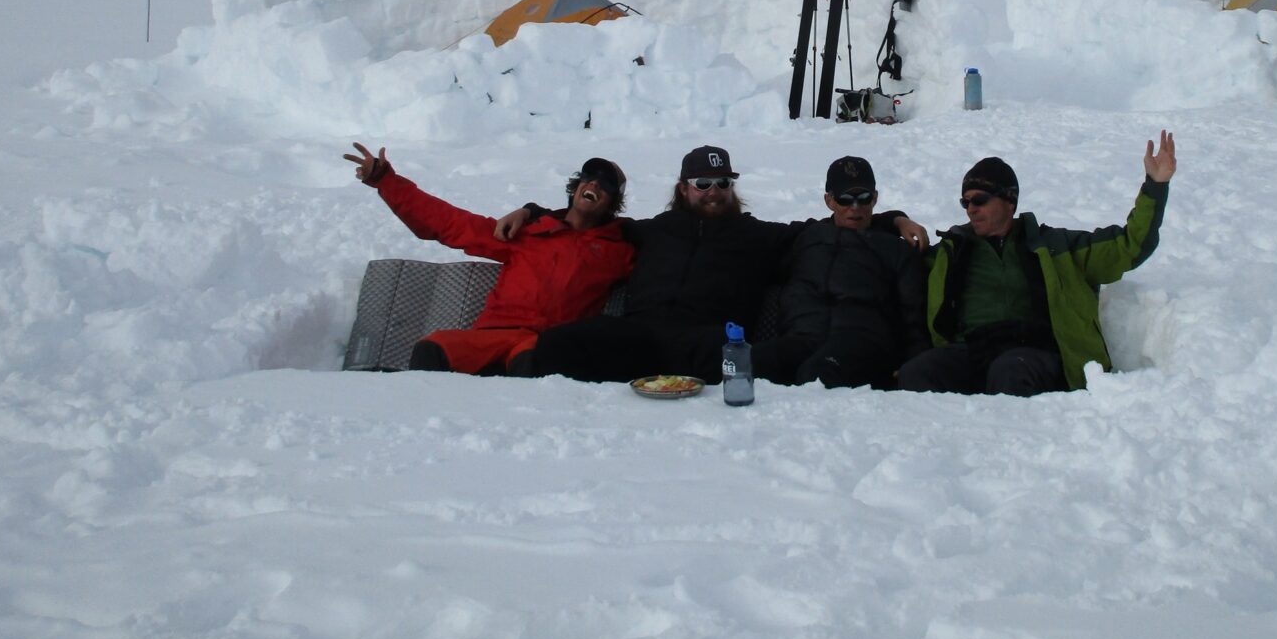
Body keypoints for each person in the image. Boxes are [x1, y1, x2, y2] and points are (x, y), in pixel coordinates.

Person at [507, 146, 927, 383]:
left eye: (723, 183)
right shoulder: (655, 229)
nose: (714, 192)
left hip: (708, 344)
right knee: (558, 346)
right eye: (703, 184)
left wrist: (895, 219)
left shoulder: (759, 235)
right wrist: (530, 211)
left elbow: (837, 227)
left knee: (743, 367)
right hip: (641, 331)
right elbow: (587, 223)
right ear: (683, 189)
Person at [899, 131, 1176, 397]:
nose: (971, 209)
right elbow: (883, 257)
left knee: (1010, 372)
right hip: (972, 349)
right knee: (918, 373)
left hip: (1033, 350)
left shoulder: (1057, 248)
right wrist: (895, 220)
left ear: (1010, 201)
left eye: (980, 200)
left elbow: (1128, 246)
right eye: (966, 202)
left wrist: (1156, 185)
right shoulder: (951, 253)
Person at [344, 142, 634, 375]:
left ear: (613, 203)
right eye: (589, 178)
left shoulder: (617, 250)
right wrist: (386, 181)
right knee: (434, 348)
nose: (594, 186)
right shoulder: (526, 232)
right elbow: (450, 224)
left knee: (533, 362)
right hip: (494, 336)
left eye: (606, 185)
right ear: (576, 186)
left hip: (546, 344)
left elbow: (670, 256)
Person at [757, 155, 930, 390]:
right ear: (829, 201)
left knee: (816, 375)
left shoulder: (895, 249)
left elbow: (913, 316)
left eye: (864, 198)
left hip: (861, 342)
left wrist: (913, 365)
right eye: (845, 199)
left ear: (875, 199)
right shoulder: (807, 237)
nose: (855, 208)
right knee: (740, 366)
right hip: (802, 337)